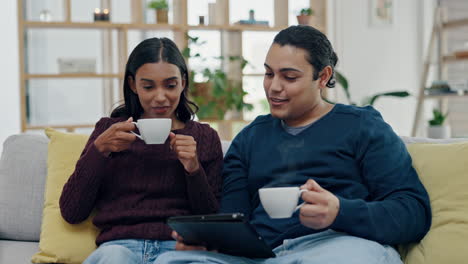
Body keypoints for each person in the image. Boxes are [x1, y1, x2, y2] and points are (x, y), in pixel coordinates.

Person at [157, 25, 431, 263]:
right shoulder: (250, 138)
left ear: (322, 77)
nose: (274, 87)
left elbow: (413, 211)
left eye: (289, 77)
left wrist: (340, 212)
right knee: (172, 259)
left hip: (338, 247)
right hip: (264, 254)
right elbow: (234, 217)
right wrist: (211, 242)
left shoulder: (363, 126)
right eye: (268, 74)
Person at [59, 37, 224, 264]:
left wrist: (193, 170)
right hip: (119, 246)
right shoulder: (108, 132)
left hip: (177, 250)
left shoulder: (205, 138)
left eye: (170, 85)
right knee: (113, 257)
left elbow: (211, 220)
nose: (160, 97)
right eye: (148, 86)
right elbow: (72, 213)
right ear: (133, 84)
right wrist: (99, 151)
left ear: (183, 83)